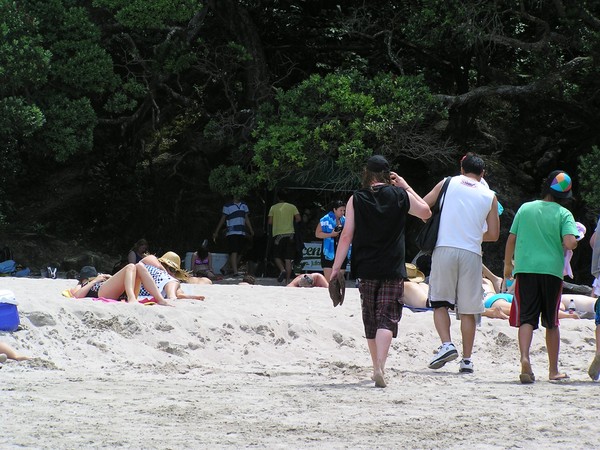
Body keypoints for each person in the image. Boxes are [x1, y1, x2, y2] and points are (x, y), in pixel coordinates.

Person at [330, 154, 431, 388]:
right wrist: (405, 185)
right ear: (388, 175)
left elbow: (346, 235)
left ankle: (375, 365)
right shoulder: (400, 195)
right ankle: (381, 368)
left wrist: (336, 268)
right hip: (392, 266)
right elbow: (425, 212)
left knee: (371, 317)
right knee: (388, 317)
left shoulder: (356, 198)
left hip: (365, 266)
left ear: (367, 173)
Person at [423, 152, 500, 374]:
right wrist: (472, 234)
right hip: (472, 253)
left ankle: (447, 344)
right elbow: (493, 234)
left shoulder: (448, 182)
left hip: (445, 248)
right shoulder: (490, 195)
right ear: (482, 173)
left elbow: (425, 208)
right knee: (468, 310)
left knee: (439, 301)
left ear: (461, 168)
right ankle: (467, 360)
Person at [504, 170, 579, 384]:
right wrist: (575, 240)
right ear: (564, 196)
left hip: (526, 269)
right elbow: (569, 242)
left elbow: (511, 239)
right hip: (551, 272)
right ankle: (553, 370)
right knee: (551, 322)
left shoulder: (525, 208)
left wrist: (508, 265)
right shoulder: (564, 214)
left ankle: (525, 358)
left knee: (527, 318)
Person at [70, 264, 169, 305]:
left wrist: (111, 278)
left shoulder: (100, 278)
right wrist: (94, 281)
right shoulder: (82, 284)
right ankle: (131, 298)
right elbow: (77, 295)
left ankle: (160, 299)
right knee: (130, 266)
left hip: (120, 292)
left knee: (139, 266)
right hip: (101, 292)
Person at [213, 196, 254, 277]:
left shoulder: (244, 205)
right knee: (234, 251)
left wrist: (250, 229)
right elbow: (223, 218)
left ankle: (225, 267)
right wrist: (216, 231)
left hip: (241, 231)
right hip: (232, 231)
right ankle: (235, 272)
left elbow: (246, 218)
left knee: (240, 252)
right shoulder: (227, 206)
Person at [139, 252, 206, 301]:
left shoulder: (165, 278)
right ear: (163, 264)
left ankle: (179, 294)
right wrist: (166, 273)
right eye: (171, 269)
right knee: (172, 281)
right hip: (142, 286)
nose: (171, 272)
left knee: (174, 283)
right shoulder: (153, 260)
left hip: (149, 290)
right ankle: (172, 297)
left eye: (174, 271)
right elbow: (159, 266)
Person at [268, 192, 301, 284]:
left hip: (278, 235)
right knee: (288, 259)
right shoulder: (292, 207)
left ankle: (282, 270)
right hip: (290, 235)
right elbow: (298, 218)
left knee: (276, 256)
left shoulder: (273, 208)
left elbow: (270, 222)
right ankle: (287, 281)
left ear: (278, 198)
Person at [315, 200, 350, 281]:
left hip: (341, 248)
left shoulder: (345, 220)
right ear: (334, 209)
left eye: (344, 210)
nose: (342, 213)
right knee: (329, 280)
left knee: (340, 278)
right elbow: (317, 234)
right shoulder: (325, 219)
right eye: (340, 210)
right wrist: (331, 234)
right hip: (329, 249)